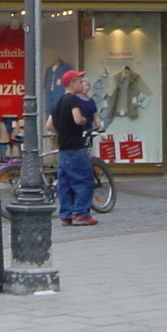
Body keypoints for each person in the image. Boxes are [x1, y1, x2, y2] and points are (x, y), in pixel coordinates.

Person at [48, 69, 100, 226]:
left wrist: (62, 131)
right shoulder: (73, 100)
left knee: (65, 182)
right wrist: (84, 120)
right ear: (72, 83)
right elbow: (78, 119)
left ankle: (66, 214)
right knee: (84, 180)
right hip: (76, 146)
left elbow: (49, 125)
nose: (82, 84)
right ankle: (81, 213)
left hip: (63, 147)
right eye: (79, 81)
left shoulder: (58, 102)